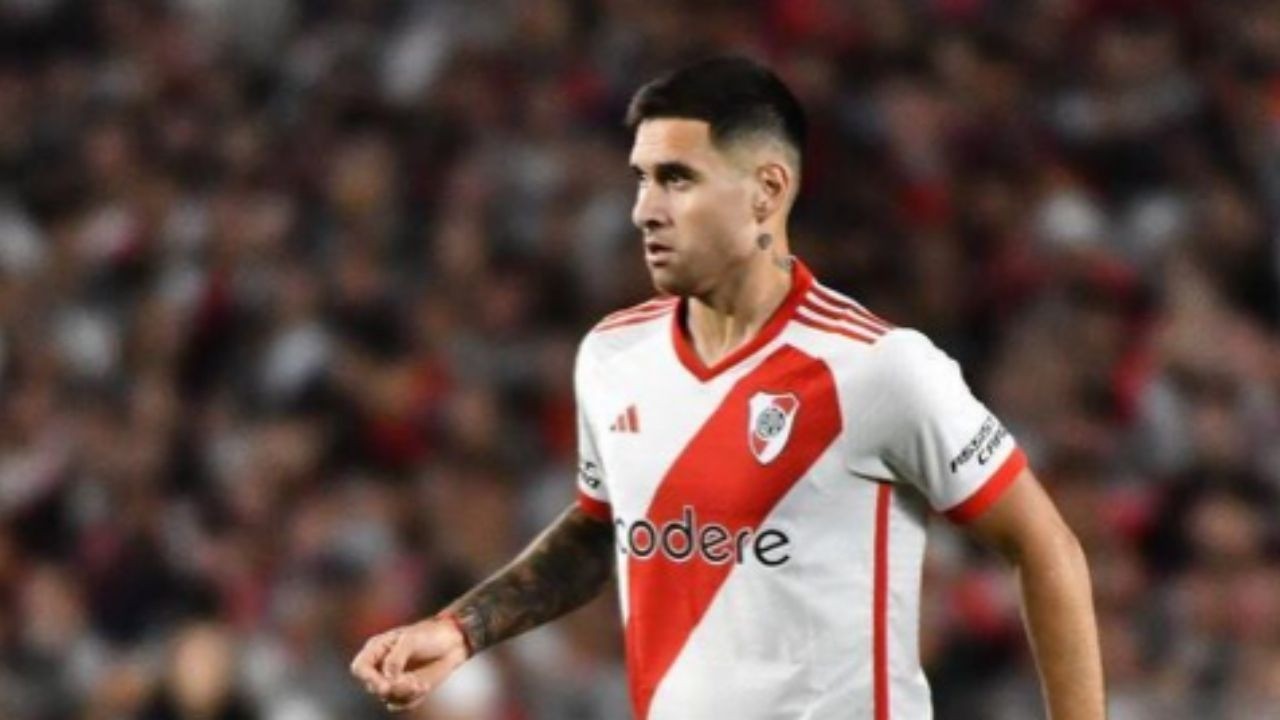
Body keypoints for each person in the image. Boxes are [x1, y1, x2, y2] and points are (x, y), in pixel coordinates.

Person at [351, 56, 1105, 719]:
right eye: (642, 179)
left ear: (766, 191)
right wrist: (458, 629)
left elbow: (1046, 550)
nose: (645, 208)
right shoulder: (614, 355)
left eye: (677, 179)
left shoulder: (877, 368)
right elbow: (604, 528)